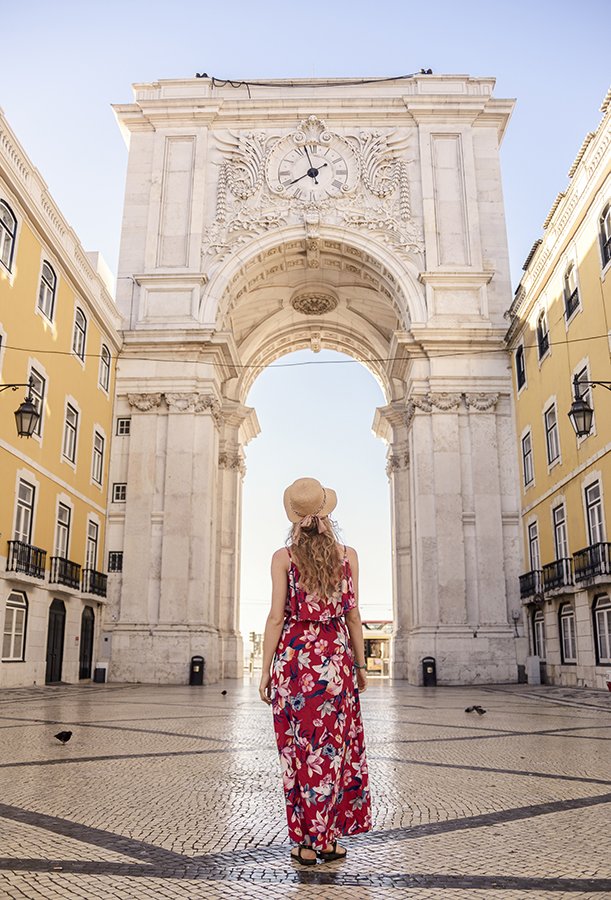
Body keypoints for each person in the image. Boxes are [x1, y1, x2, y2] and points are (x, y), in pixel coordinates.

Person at [259, 477, 372, 866]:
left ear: (294, 517)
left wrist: (265, 670)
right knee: (333, 751)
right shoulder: (348, 556)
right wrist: (360, 665)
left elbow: (276, 617)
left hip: (294, 664)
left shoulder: (283, 558)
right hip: (335, 663)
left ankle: (306, 842)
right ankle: (328, 840)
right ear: (328, 514)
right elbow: (353, 616)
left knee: (299, 752)